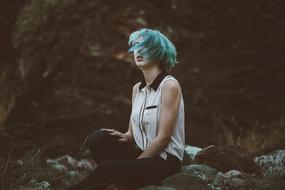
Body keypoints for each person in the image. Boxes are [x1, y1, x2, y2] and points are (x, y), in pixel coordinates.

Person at [67, 28, 185, 190]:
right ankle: (121, 181)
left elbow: (163, 138)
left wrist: (134, 166)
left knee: (108, 168)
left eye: (144, 47)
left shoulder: (169, 85)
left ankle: (118, 180)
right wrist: (126, 136)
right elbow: (131, 133)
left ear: (158, 52)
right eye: (135, 47)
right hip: (142, 155)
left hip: (165, 162)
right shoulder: (137, 89)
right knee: (98, 138)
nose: (138, 51)